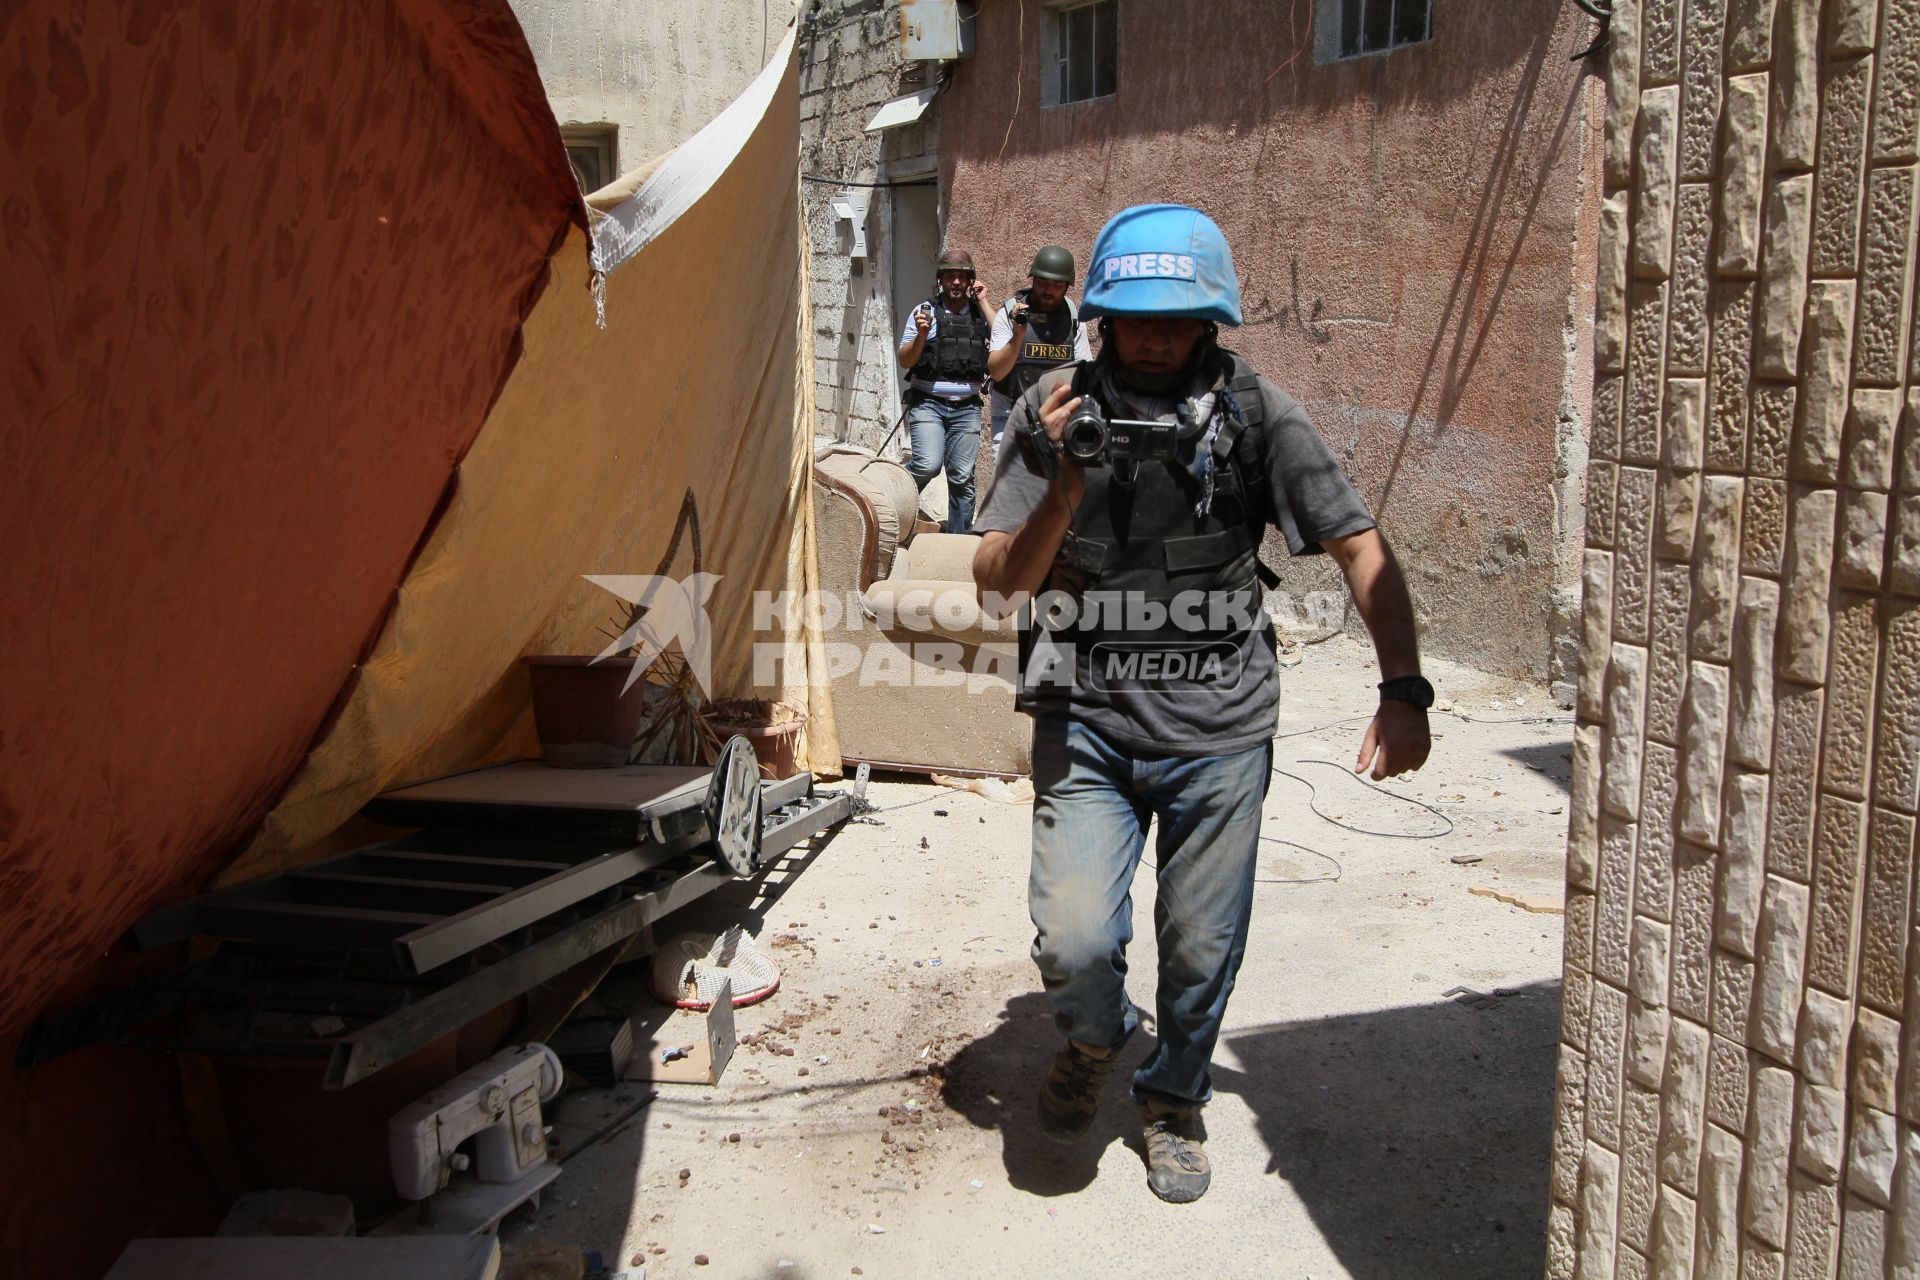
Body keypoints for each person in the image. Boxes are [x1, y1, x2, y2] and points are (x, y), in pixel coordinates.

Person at [971, 205, 1432, 1204]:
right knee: (1076, 939)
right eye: (1137, 315)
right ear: (1100, 317)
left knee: (1200, 940)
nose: (1156, 335)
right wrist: (1064, 481)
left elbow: (1359, 543)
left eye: (1178, 318)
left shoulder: (1257, 413)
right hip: (1084, 715)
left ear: (1210, 321)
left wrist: (1404, 689)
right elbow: (997, 587)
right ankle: (1094, 1036)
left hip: (1219, 726)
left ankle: (1174, 1090)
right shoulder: (1050, 407)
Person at [896, 248, 992, 534]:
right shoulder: (924, 313)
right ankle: (893, 501)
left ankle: (958, 540)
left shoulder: (980, 315)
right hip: (929, 403)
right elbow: (905, 360)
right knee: (927, 464)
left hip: (967, 407)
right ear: (941, 279)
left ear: (970, 281)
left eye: (962, 276)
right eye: (950, 275)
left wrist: (985, 301)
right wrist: (922, 335)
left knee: (962, 477)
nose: (956, 282)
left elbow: (1005, 332)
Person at [985, 245, 1092, 452]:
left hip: (1056, 416)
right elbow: (997, 373)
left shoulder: (1074, 320)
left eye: (1057, 285)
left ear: (1067, 286)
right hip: (1011, 414)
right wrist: (1018, 335)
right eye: (1042, 282)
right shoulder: (1009, 315)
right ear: (1033, 280)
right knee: (1010, 482)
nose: (1048, 290)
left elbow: (1084, 373)